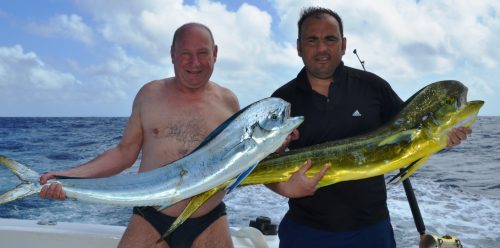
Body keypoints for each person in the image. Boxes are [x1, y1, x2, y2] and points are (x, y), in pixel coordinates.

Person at [266, 7, 471, 248]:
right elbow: (260, 164)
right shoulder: (280, 102)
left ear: (343, 44)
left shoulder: (374, 87)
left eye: (330, 39)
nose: (322, 48)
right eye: (312, 40)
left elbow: (411, 133)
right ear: (299, 46)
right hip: (305, 232)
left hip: (371, 231)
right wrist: (284, 188)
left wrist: (443, 138)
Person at [39, 22, 239, 248]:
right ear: (172, 55)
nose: (195, 62)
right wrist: (68, 177)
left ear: (215, 53)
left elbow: (244, 160)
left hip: (209, 220)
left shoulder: (229, 102)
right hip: (151, 218)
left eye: (202, 53)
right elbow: (124, 153)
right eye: (186, 54)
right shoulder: (149, 95)